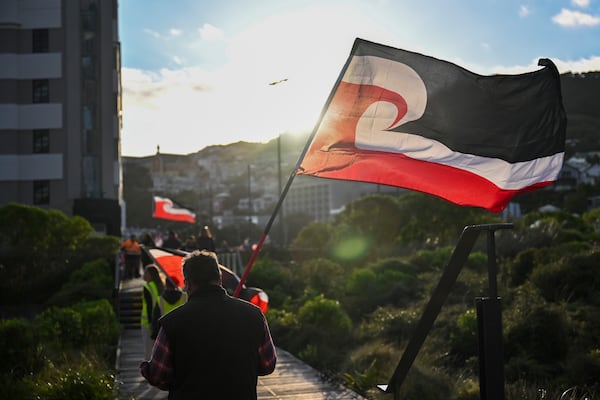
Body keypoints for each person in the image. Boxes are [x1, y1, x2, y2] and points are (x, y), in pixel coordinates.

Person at [140, 250, 277, 398]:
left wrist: (144, 367)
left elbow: (158, 376)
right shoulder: (253, 315)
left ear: (188, 283)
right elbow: (268, 364)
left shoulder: (171, 323)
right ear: (219, 279)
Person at [141, 265, 164, 360]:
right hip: (160, 319)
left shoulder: (147, 287)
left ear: (150, 274)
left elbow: (149, 306)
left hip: (148, 322)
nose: (144, 275)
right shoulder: (161, 285)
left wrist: (151, 322)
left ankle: (149, 370)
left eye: (146, 272)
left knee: (148, 349)